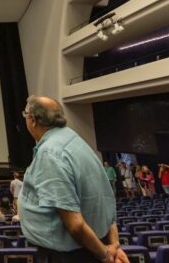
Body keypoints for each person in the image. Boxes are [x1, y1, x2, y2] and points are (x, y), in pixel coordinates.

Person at [17, 96, 127, 263]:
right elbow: (106, 201)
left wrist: (106, 254)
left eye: (25, 115)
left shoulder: (50, 154)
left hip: (68, 256)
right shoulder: (74, 139)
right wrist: (114, 245)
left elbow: (75, 224)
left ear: (32, 120)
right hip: (88, 248)